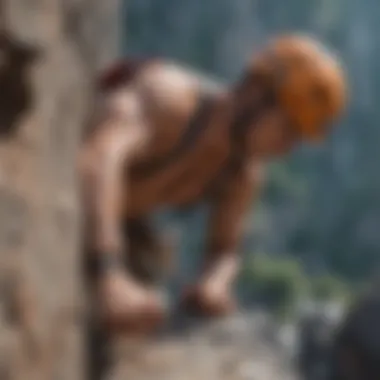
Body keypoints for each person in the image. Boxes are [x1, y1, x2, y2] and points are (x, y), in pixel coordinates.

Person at [78, 34, 347, 334]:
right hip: (71, 193)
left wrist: (214, 283)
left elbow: (225, 249)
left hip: (117, 218)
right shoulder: (170, 99)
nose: (287, 148)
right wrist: (108, 273)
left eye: (297, 139)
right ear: (256, 93)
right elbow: (99, 159)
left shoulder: (240, 171)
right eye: (288, 129)